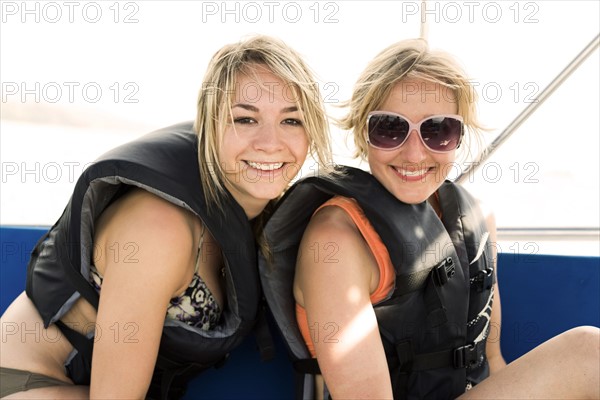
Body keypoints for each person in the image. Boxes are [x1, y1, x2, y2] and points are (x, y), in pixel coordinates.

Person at [258, 38, 599, 399]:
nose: (414, 153)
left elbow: (491, 363)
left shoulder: (478, 217)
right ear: (363, 131)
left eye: (438, 130)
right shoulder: (336, 242)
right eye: (390, 127)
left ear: (458, 137)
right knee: (588, 352)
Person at [0, 35, 334, 399]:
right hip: (24, 384)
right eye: (244, 119)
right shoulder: (159, 229)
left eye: (292, 121)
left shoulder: (260, 218)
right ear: (209, 127)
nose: (271, 143)